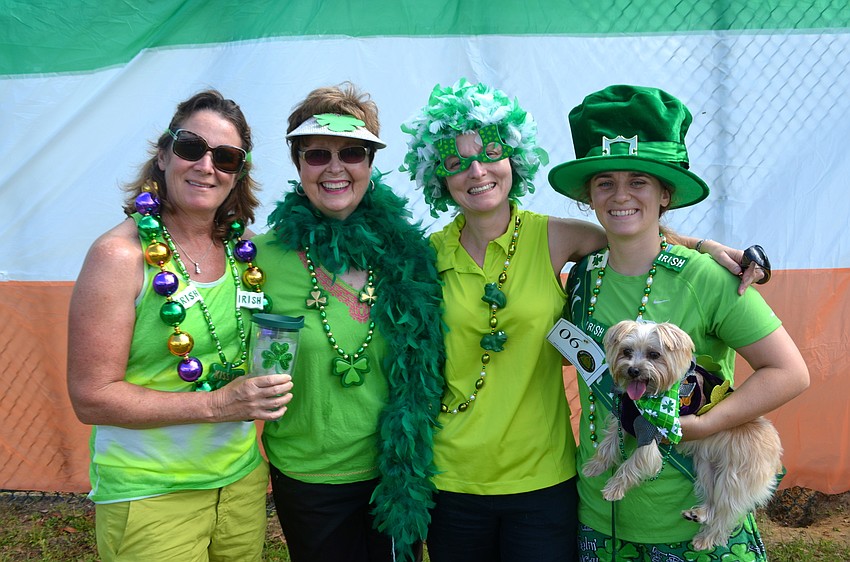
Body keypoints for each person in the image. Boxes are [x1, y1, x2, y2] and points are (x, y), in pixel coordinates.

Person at [399, 79, 760, 562]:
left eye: (489, 152)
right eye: (454, 160)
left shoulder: (557, 238)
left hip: (543, 473)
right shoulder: (425, 257)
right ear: (436, 176)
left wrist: (702, 248)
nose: (476, 170)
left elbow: (632, 230)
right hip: (451, 472)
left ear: (515, 159)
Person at [548, 84, 809, 560]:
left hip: (691, 515)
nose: (620, 195)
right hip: (598, 517)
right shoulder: (582, 271)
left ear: (665, 192)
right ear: (588, 195)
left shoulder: (708, 277)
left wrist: (703, 428)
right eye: (604, 182)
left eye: (639, 181)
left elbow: (790, 373)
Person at [67, 90, 294, 561]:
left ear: (238, 174)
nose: (206, 165)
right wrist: (217, 404)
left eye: (226, 157)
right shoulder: (119, 257)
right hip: (151, 492)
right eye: (192, 147)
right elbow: (91, 396)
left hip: (239, 481)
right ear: (165, 154)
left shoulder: (244, 251)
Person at [252, 83, 445, 562]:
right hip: (308, 476)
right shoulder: (260, 257)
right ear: (298, 164)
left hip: (394, 471)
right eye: (318, 154)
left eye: (352, 153)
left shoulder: (410, 254)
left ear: (370, 163)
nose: (336, 168)